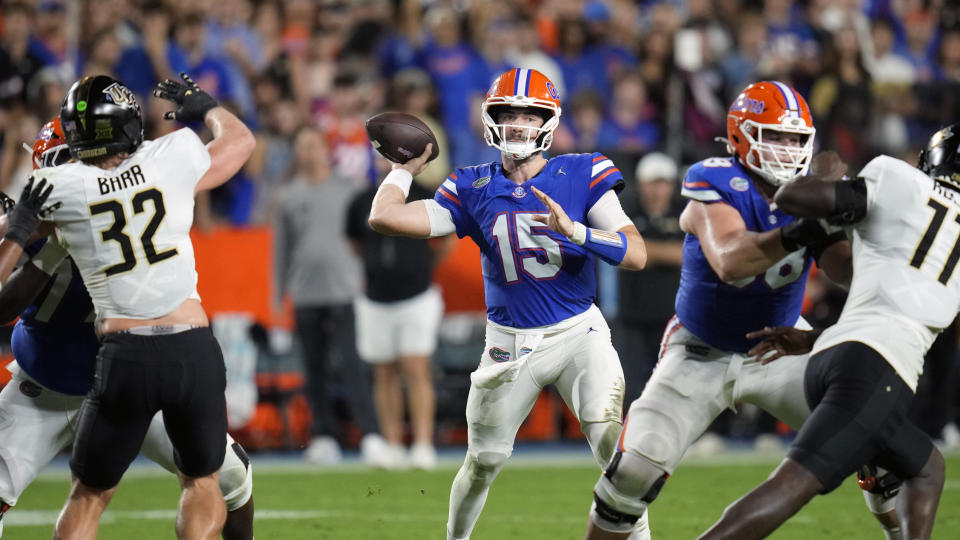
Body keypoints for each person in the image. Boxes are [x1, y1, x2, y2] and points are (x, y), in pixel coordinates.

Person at [582, 81, 903, 540]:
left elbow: (846, 271)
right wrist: (807, 225)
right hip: (700, 350)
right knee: (632, 471)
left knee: (877, 441)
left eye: (795, 139)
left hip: (781, 344)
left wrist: (869, 229)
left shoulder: (812, 194)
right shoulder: (714, 179)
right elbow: (732, 260)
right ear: (741, 136)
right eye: (774, 136)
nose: (786, 149)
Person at [368, 67, 649, 540]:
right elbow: (384, 216)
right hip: (509, 342)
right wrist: (402, 169)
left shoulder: (582, 172)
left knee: (609, 440)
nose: (517, 123)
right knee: (483, 461)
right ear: (491, 118)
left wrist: (575, 231)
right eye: (508, 112)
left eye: (528, 113)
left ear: (548, 121)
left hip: (579, 331)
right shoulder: (472, 184)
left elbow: (636, 253)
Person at [695, 124, 959, 540]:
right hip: (877, 370)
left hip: (842, 355)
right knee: (791, 486)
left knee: (927, 467)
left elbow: (797, 196)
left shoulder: (900, 180)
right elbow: (792, 197)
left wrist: (824, 177)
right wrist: (815, 178)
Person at [0, 118, 254, 539]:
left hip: (129, 378)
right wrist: (40, 246)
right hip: (50, 382)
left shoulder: (131, 193)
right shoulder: (30, 218)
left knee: (229, 475)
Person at [273, 126, 387, 467]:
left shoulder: (350, 190)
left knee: (355, 366)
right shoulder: (288, 195)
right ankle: (323, 436)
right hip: (306, 293)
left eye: (314, 145)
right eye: (302, 146)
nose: (309, 152)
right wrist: (277, 299)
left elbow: (367, 240)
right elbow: (280, 251)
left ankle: (370, 434)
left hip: (346, 290)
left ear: (326, 149)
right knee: (314, 368)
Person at [346, 175, 453, 470]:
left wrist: (421, 268)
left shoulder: (426, 195)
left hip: (416, 296)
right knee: (384, 372)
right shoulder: (362, 198)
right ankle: (392, 444)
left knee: (416, 368)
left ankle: (422, 443)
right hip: (375, 298)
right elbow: (354, 243)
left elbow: (446, 240)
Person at [613, 152, 684, 405]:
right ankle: (627, 440)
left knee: (672, 382)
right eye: (653, 182)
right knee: (628, 384)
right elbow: (620, 253)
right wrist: (662, 252)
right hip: (633, 315)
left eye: (663, 182)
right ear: (641, 184)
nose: (658, 189)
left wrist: (644, 252)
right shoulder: (625, 211)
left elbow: (686, 255)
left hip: (672, 315)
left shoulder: (683, 214)